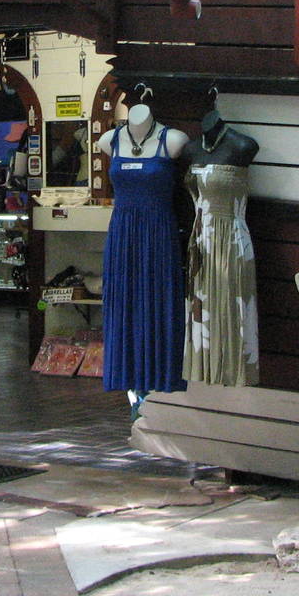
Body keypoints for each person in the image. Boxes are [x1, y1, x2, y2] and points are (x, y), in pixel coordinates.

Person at [99, 102, 187, 396]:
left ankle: (160, 375)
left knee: (158, 299)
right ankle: (128, 380)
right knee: (123, 302)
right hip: (122, 234)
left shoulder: (173, 139)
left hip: (158, 233)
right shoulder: (109, 140)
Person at [182, 107, 260, 386]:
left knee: (232, 304)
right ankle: (205, 370)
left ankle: (234, 371)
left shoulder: (243, 146)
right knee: (202, 305)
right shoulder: (191, 149)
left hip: (231, 238)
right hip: (202, 240)